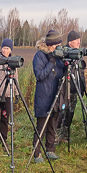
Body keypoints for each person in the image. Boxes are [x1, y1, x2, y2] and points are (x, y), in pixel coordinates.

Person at [32, 29, 65, 163]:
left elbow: (61, 74)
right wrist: (51, 62)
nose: (59, 48)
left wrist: (64, 62)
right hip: (43, 96)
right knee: (42, 126)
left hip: (55, 96)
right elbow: (40, 75)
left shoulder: (58, 56)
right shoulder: (40, 56)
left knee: (53, 124)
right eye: (57, 46)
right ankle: (37, 153)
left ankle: (50, 150)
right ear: (51, 45)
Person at [58, 30, 87, 141]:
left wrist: (83, 88)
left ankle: (65, 135)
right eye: (77, 40)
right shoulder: (64, 53)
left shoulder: (78, 55)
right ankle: (56, 136)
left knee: (70, 113)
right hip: (65, 89)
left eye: (79, 41)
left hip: (75, 89)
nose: (79, 43)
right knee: (62, 113)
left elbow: (81, 73)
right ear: (70, 42)